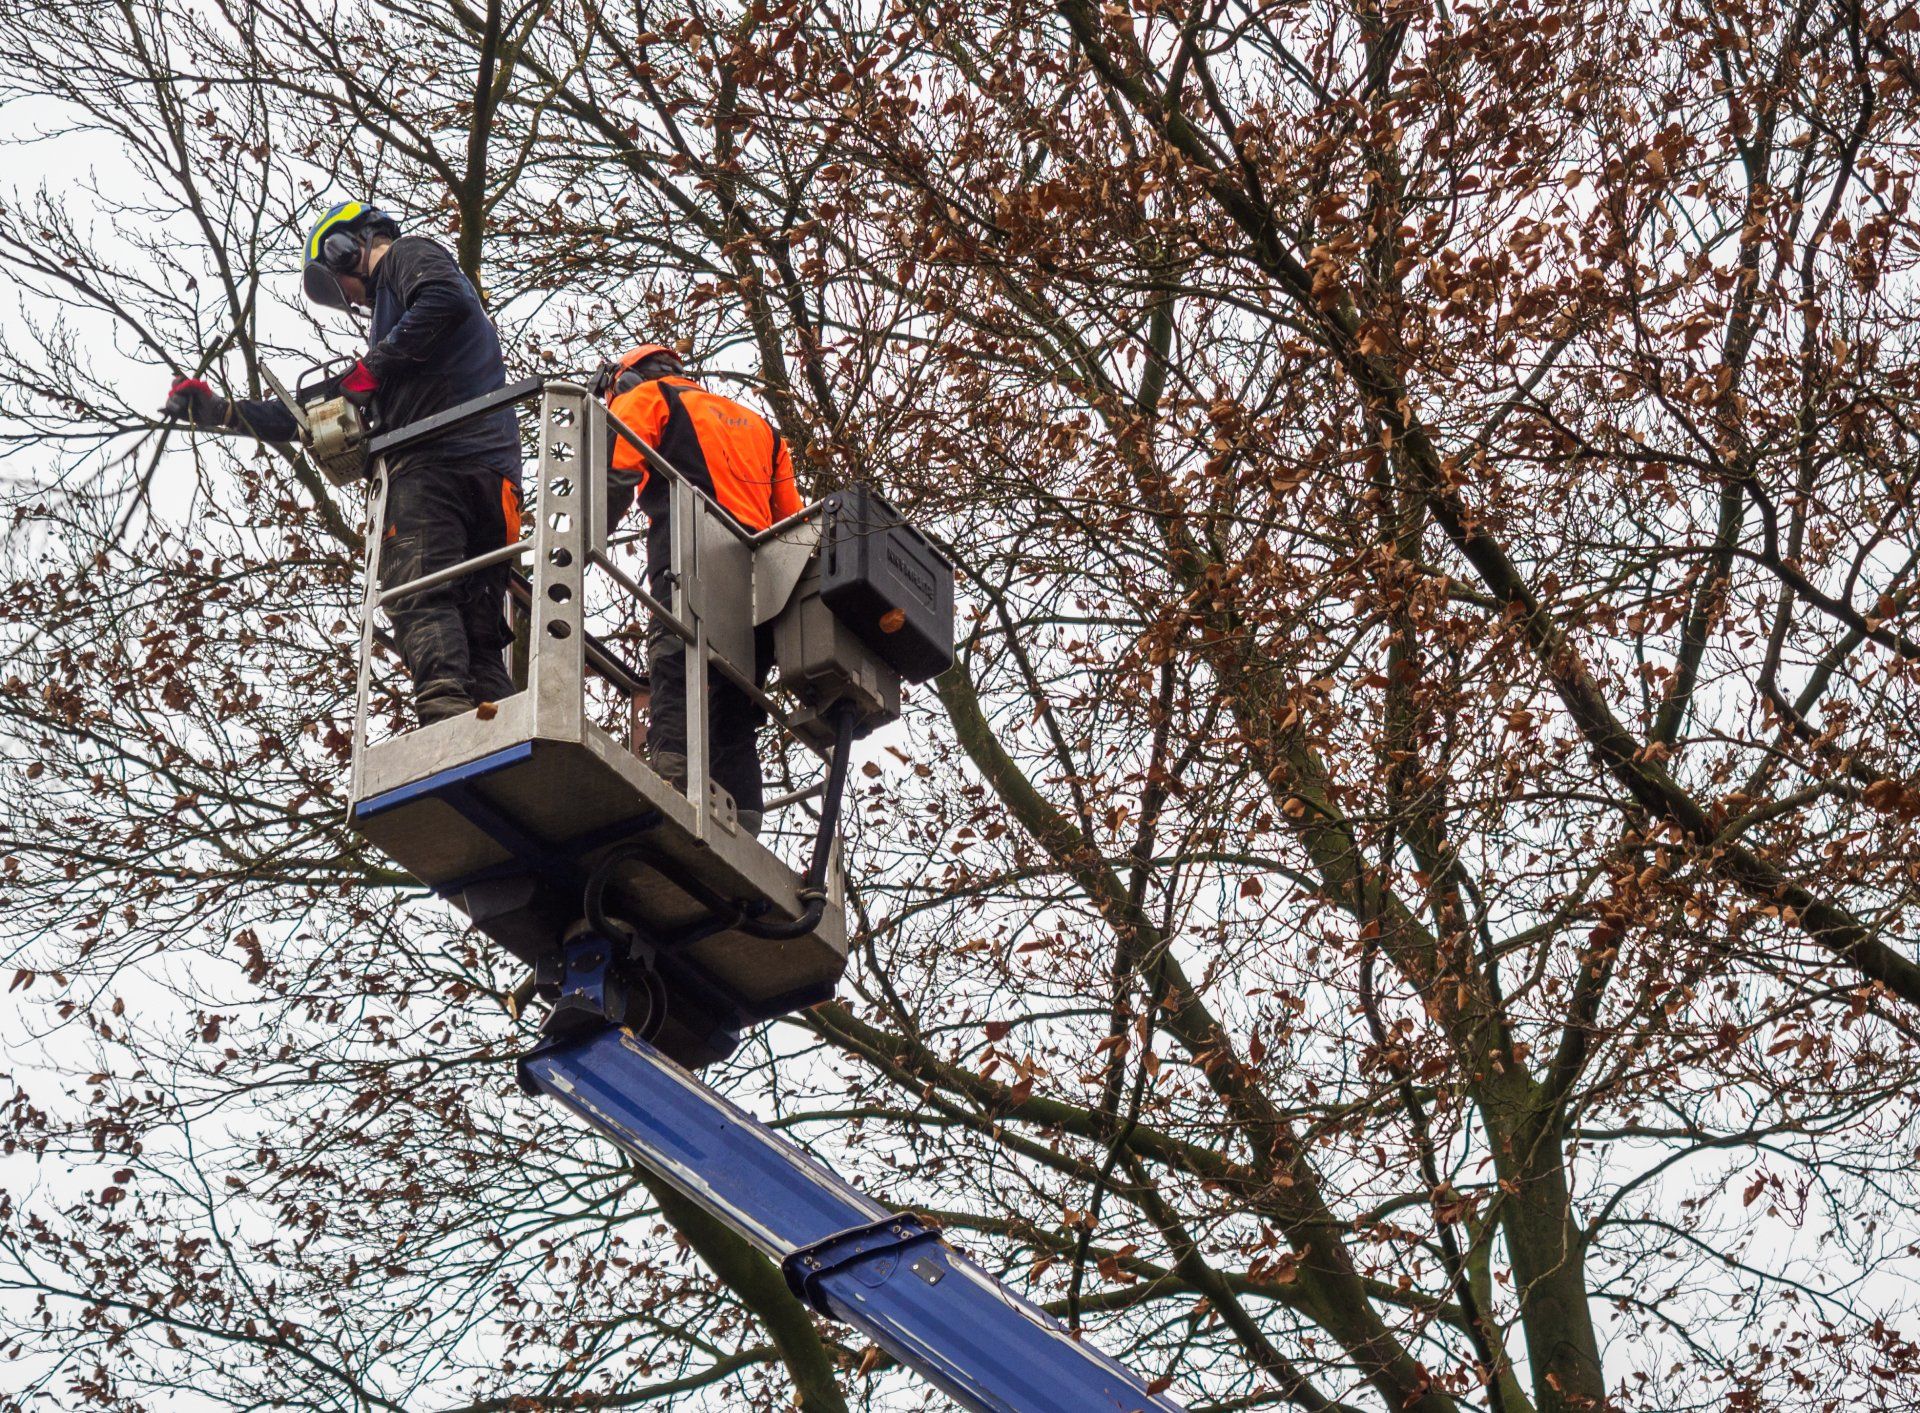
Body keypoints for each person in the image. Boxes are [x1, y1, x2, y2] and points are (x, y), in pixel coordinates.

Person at [162, 201, 523, 725]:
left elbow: (444, 300)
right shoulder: (403, 352)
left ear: (346, 247)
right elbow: (307, 416)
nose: (350, 298)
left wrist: (370, 370)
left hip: (432, 467)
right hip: (494, 481)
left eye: (340, 283)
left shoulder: (406, 256)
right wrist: (220, 412)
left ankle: (445, 717)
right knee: (476, 627)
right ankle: (504, 730)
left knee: (417, 592)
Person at [592, 344, 803, 833]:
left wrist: (575, 546)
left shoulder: (650, 397)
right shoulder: (763, 429)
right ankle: (744, 814)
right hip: (760, 581)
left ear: (627, 380)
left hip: (689, 553)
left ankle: (671, 777)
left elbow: (615, 476)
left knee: (674, 660)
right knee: (737, 695)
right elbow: (792, 527)